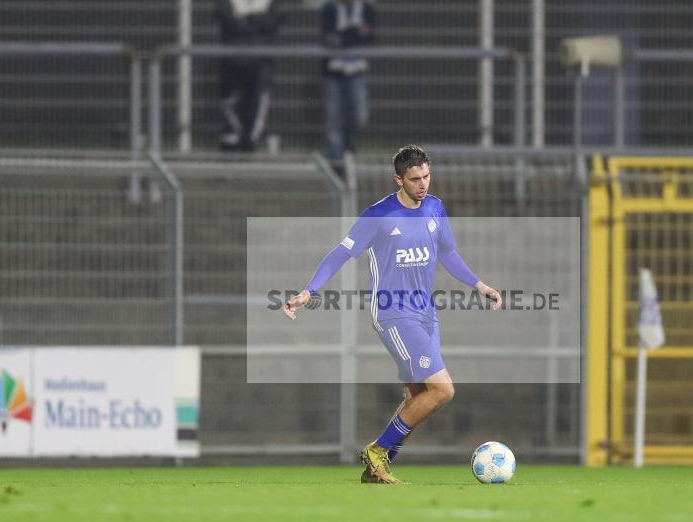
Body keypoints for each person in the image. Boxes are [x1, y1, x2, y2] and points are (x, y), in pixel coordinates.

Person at [283, 145, 502, 484]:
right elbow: (340, 253)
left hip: (426, 313)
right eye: (415, 179)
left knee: (418, 396)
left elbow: (449, 254)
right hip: (393, 312)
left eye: (427, 176)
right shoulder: (378, 215)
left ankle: (377, 468)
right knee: (443, 391)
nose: (423, 184)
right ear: (398, 179)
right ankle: (377, 450)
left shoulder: (435, 208)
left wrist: (480, 285)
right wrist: (309, 290)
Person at [214, 0, 285, 152]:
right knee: (231, 105)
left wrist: (246, 16)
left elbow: (272, 22)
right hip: (232, 62)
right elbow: (228, 21)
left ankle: (249, 145)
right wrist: (256, 20)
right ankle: (230, 147)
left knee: (257, 105)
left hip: (260, 62)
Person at [321, 0, 376, 175]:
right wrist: (355, 33)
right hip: (333, 72)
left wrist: (345, 34)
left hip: (357, 71)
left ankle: (349, 148)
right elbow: (329, 38)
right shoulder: (329, 9)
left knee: (359, 116)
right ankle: (337, 164)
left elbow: (370, 36)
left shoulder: (367, 9)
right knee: (333, 121)